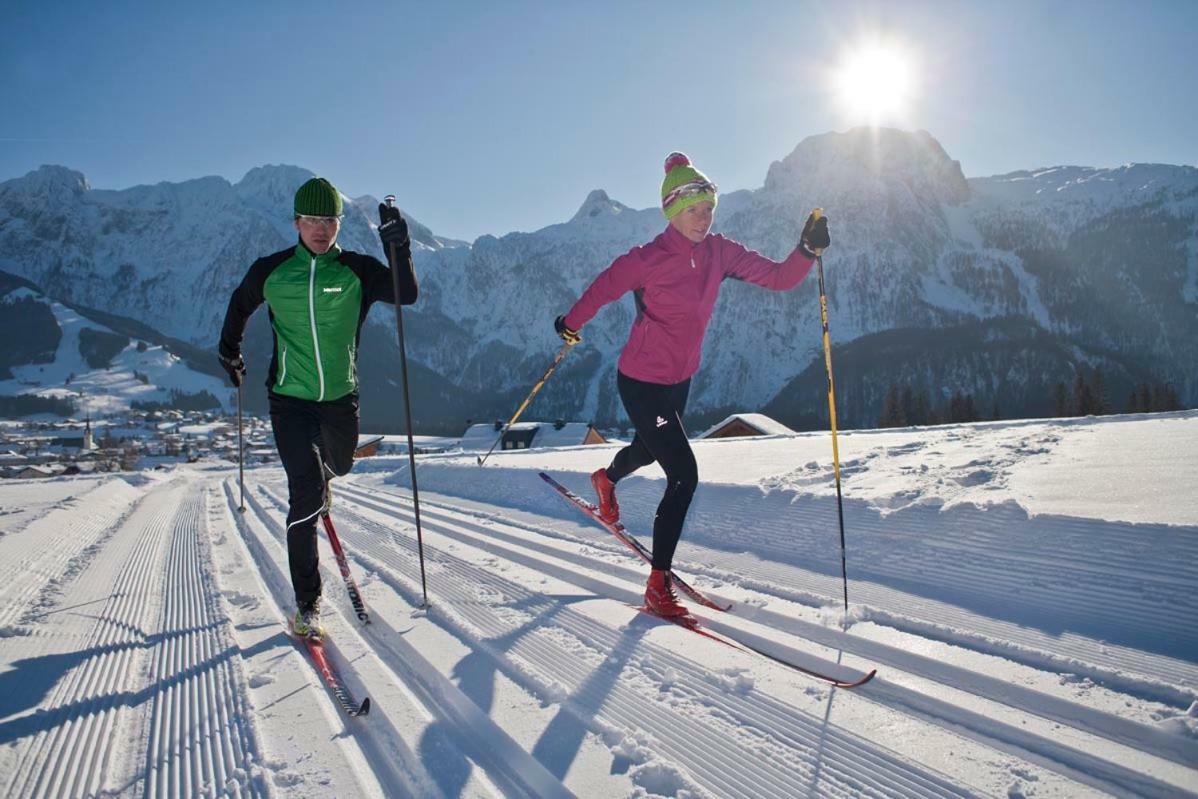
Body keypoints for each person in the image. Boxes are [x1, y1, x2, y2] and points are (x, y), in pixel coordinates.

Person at [554, 152, 829, 617]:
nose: (703, 218)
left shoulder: (721, 252)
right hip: (640, 381)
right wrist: (569, 324)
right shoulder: (647, 259)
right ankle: (657, 586)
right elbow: (602, 287)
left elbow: (780, 279)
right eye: (693, 210)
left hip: (678, 381)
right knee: (683, 474)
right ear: (671, 211)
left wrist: (806, 251)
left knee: (646, 449)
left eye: (708, 209)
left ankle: (606, 478)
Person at [217, 176, 417, 637]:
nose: (320, 229)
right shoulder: (272, 271)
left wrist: (399, 246)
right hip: (289, 400)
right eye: (311, 220)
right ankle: (308, 605)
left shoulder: (357, 271)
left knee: (340, 467)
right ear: (296, 223)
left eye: (329, 220)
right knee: (305, 499)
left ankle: (322, 480)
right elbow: (239, 304)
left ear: (339, 224)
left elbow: (406, 294)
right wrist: (229, 351)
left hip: (340, 399)